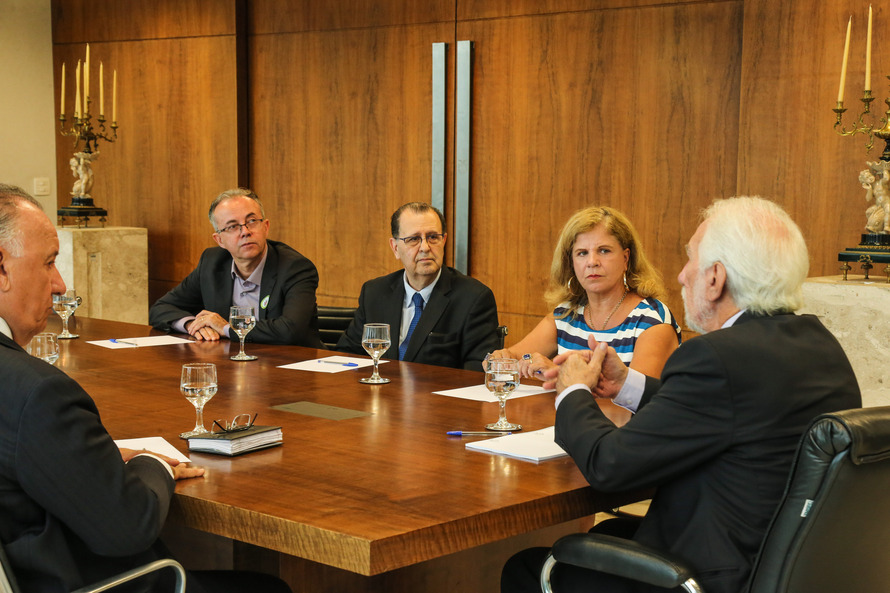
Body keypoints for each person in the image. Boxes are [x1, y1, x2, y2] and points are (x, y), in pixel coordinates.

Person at [500, 196, 861, 593]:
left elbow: (609, 466)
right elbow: (717, 414)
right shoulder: (820, 345)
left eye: (691, 260)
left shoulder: (716, 357)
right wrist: (626, 385)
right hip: (780, 565)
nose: (682, 275)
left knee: (525, 568)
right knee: (614, 531)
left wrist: (573, 391)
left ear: (715, 278)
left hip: (702, 575)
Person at [0, 184, 290, 593]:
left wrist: (94, 456)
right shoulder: (38, 392)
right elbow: (126, 528)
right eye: (49, 263)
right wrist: (153, 464)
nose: (61, 284)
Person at [491, 206, 680, 385]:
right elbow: (514, 358)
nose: (592, 262)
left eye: (604, 251)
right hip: (571, 419)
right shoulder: (566, 314)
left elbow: (638, 399)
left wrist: (560, 375)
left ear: (625, 258)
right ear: (571, 263)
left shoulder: (652, 320)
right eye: (582, 253)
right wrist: (500, 360)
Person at [149, 188, 323, 347]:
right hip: (231, 367)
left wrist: (226, 328)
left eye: (252, 221)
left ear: (266, 227)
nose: (245, 231)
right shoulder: (212, 263)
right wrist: (193, 325)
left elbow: (290, 330)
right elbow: (160, 309)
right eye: (232, 226)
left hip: (291, 368)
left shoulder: (295, 268)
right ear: (219, 240)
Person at [336, 202, 499, 370]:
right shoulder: (375, 293)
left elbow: (477, 372)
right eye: (414, 239)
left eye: (433, 237)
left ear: (444, 241)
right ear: (395, 248)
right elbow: (347, 356)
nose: (425, 247)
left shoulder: (473, 298)